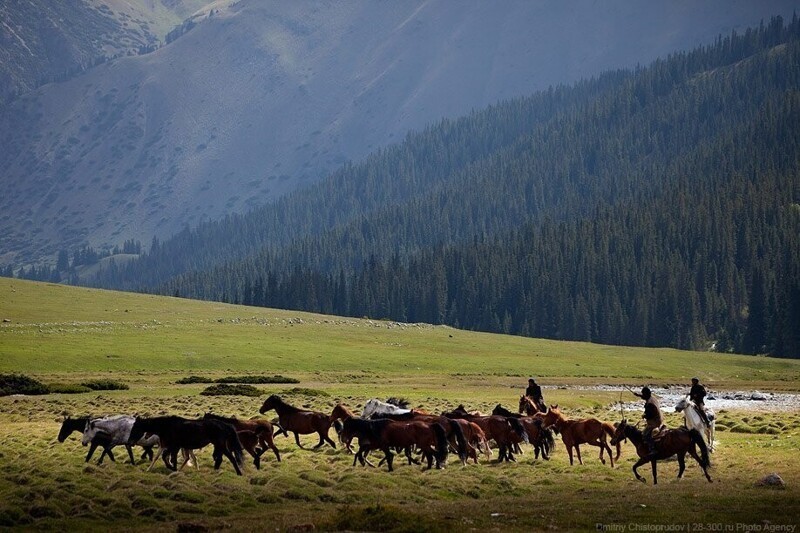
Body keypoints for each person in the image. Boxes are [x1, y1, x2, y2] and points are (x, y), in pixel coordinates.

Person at [632, 386, 664, 457]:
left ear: (646, 394)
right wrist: (638, 395)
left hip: (655, 421)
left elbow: (650, 415)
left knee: (645, 435)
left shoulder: (650, 404)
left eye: (643, 394)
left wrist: (644, 416)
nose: (643, 395)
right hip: (660, 418)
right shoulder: (652, 398)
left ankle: (653, 449)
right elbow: (645, 397)